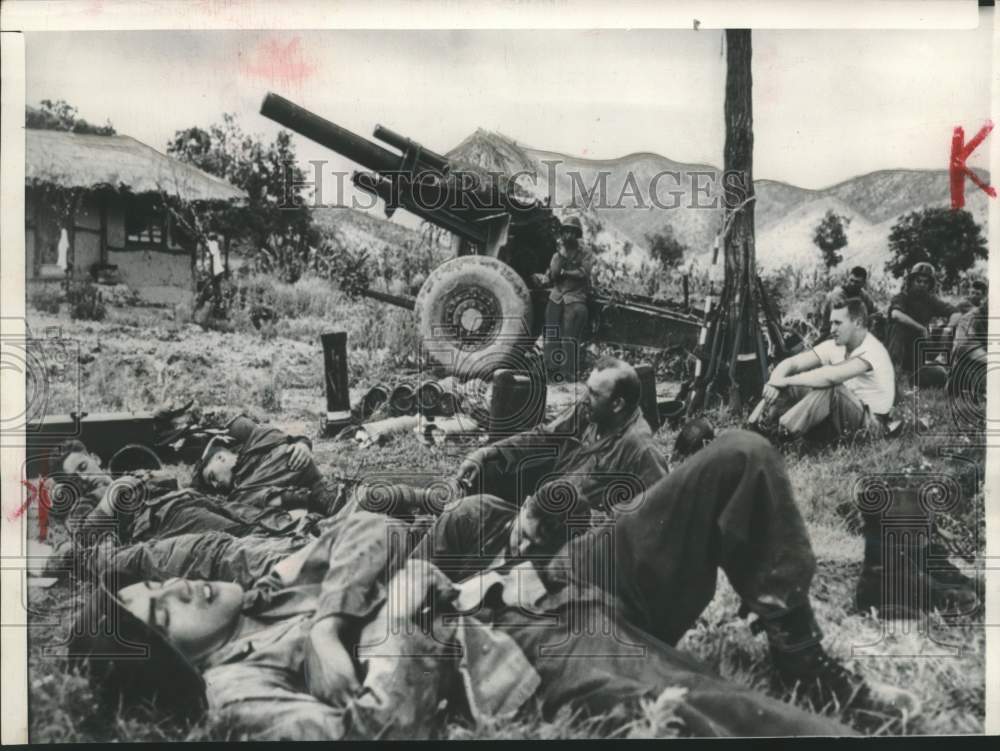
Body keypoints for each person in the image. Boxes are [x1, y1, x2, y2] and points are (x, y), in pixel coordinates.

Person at [72, 432, 918, 739]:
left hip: (555, 576)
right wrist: (402, 605)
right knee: (727, 714)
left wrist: (332, 622)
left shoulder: (259, 579)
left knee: (739, 459)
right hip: (522, 642)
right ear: (170, 664)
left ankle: (802, 653)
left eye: (158, 586)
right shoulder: (240, 686)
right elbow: (379, 727)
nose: (172, 589)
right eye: (154, 615)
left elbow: (377, 530)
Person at [454, 356, 669, 511]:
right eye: (587, 389)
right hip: (543, 499)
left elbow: (659, 511)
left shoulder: (639, 448)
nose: (584, 398)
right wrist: (484, 453)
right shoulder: (590, 412)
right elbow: (545, 436)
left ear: (617, 404)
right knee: (489, 469)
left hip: (568, 528)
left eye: (593, 393)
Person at [748, 299, 895, 443]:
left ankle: (783, 434)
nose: (831, 330)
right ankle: (756, 427)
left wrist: (784, 381)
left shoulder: (873, 350)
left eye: (838, 323)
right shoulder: (835, 345)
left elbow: (830, 377)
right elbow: (792, 363)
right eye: (831, 323)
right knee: (791, 383)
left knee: (831, 389)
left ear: (857, 323)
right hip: (840, 417)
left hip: (871, 424)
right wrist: (775, 382)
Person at [190, 415, 351, 516]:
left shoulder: (256, 440)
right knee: (237, 504)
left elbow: (285, 441)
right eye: (213, 485)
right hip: (308, 510)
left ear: (220, 458)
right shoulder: (242, 489)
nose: (216, 484)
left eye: (212, 477)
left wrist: (302, 444)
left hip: (323, 489)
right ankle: (307, 501)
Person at [535, 215, 594, 382]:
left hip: (575, 298)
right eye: (566, 231)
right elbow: (553, 274)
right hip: (557, 297)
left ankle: (567, 374)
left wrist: (566, 272)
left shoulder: (586, 253)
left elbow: (584, 273)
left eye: (572, 232)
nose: (569, 235)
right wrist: (560, 257)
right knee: (551, 333)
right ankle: (550, 370)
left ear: (577, 235)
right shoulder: (558, 254)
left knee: (569, 337)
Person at [886, 262, 955, 387]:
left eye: (926, 282)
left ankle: (923, 371)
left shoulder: (931, 300)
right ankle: (893, 373)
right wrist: (921, 329)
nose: (922, 284)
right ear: (911, 281)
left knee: (939, 376)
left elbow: (956, 313)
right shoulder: (902, 297)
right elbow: (896, 314)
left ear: (930, 284)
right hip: (897, 348)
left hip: (917, 351)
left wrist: (947, 330)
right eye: (918, 281)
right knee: (899, 327)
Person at [818, 266, 877, 340]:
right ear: (848, 278)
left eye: (857, 282)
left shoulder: (863, 295)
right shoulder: (837, 295)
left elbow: (873, 312)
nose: (852, 284)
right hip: (831, 335)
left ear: (863, 284)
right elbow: (841, 320)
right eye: (851, 280)